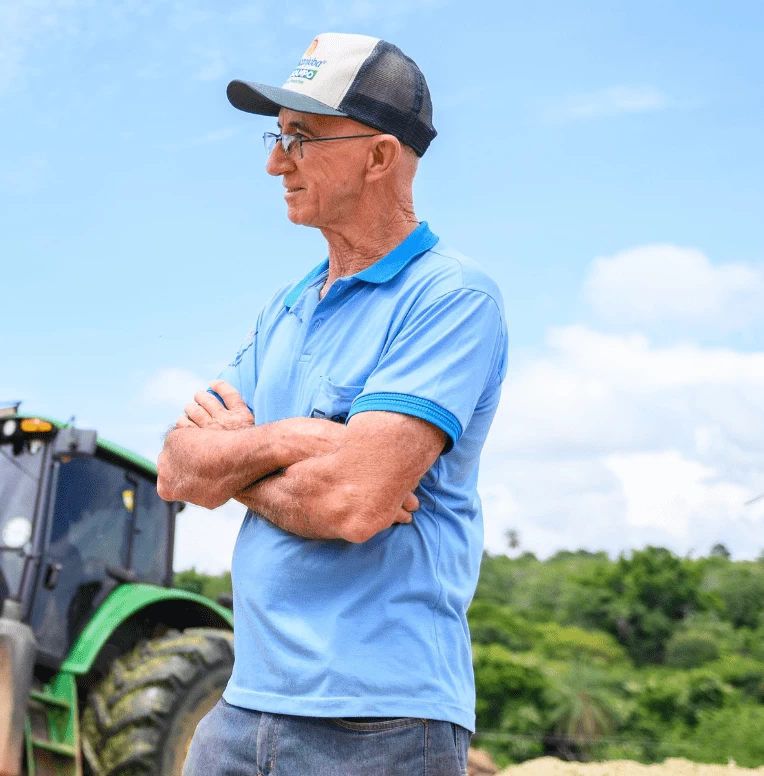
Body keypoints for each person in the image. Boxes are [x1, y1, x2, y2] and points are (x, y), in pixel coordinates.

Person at [157, 33, 509, 775]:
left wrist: (241, 465)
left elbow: (352, 500)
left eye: (301, 139)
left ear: (380, 156)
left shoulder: (450, 298)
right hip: (243, 705)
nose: (274, 162)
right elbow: (179, 470)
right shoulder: (284, 309)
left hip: (381, 724)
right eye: (277, 137)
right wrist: (304, 438)